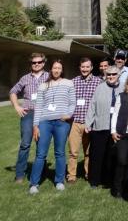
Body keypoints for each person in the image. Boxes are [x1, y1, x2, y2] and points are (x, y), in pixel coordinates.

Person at [29, 59, 75, 194]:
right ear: (51, 70)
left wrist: (68, 114)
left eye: (59, 68)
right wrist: (35, 125)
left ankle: (59, 181)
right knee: (40, 154)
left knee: (60, 153)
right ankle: (34, 183)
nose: (56, 70)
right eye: (54, 68)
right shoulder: (43, 86)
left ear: (62, 70)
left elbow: (73, 102)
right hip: (45, 122)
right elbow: (38, 107)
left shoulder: (68, 83)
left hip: (61, 123)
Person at [9, 52, 48, 183]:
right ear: (31, 64)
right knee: (25, 144)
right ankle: (19, 174)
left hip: (43, 115)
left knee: (41, 144)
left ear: (43, 63)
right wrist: (17, 106)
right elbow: (13, 92)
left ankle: (40, 173)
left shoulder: (49, 77)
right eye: (34, 62)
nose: (36, 64)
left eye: (39, 62)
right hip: (28, 114)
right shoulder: (25, 78)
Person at [86, 65, 121, 188]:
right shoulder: (100, 88)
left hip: (115, 128)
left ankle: (108, 180)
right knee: (97, 154)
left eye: (114, 74)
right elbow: (92, 105)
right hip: (100, 126)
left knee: (111, 155)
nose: (111, 77)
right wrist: (88, 122)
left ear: (119, 75)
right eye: (109, 74)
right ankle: (95, 180)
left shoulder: (123, 89)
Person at [68, 57, 101, 183]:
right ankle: (71, 175)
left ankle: (88, 173)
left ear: (91, 68)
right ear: (79, 67)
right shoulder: (73, 82)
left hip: (90, 123)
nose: (85, 69)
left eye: (87, 67)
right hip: (75, 122)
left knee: (89, 152)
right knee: (73, 151)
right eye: (83, 67)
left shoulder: (98, 82)